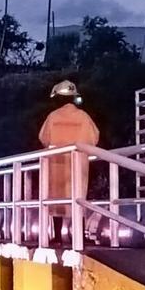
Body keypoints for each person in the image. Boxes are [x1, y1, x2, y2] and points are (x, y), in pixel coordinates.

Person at [38, 80, 99, 246]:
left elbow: (44, 138)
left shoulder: (52, 117)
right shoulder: (83, 117)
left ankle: (57, 236)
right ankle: (79, 235)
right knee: (78, 198)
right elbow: (93, 138)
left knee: (56, 200)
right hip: (78, 163)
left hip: (57, 163)